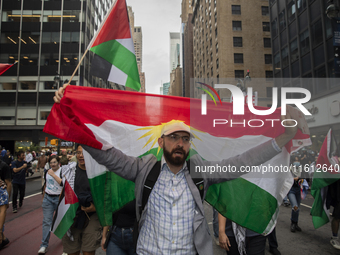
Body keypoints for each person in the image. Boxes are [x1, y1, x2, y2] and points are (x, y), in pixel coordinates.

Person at [54, 84, 298, 254]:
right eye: (174, 137)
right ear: (161, 142)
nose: (180, 143)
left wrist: (281, 139)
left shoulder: (200, 172)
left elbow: (241, 162)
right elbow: (108, 155)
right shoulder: (143, 169)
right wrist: (71, 116)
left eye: (185, 138)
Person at [62, 144, 102, 255]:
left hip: (91, 217)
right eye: (78, 153)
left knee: (88, 251)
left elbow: (104, 196)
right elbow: (63, 193)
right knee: (72, 251)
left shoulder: (98, 173)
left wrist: (95, 208)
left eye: (84, 153)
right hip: (72, 217)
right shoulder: (69, 171)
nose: (81, 156)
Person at [38, 155, 63, 254]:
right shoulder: (47, 172)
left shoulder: (62, 171)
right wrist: (43, 197)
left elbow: (63, 183)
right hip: (48, 198)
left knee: (62, 221)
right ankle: (43, 245)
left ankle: (66, 242)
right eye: (51, 162)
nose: (53, 164)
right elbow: (46, 185)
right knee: (47, 222)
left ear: (58, 162)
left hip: (59, 199)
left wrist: (53, 175)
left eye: (54, 162)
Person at [0, 158, 12, 250]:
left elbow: (8, 183)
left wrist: (7, 200)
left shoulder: (4, 166)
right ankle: (3, 238)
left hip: (2, 193)